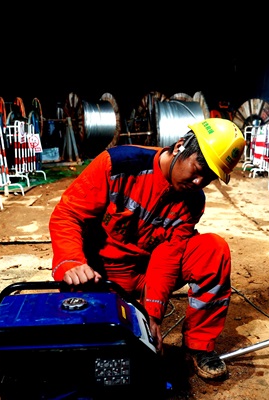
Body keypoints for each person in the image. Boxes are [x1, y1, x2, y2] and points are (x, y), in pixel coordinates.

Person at [49, 118, 246, 380]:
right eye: (199, 169)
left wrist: (151, 313)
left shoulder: (193, 200)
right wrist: (71, 261)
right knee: (83, 353)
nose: (199, 182)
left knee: (212, 249)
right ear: (180, 146)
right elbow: (68, 215)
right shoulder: (118, 164)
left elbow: (168, 255)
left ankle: (199, 346)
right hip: (99, 276)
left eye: (209, 178)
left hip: (146, 276)